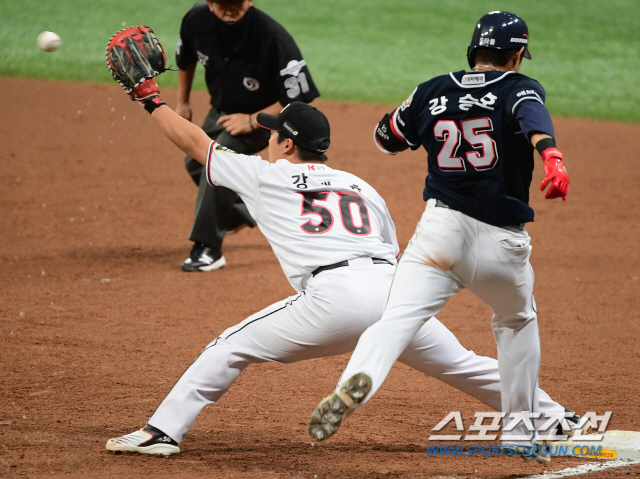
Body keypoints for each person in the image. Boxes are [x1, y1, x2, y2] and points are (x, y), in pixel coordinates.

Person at [103, 52, 578, 455]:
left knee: (230, 346)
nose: (268, 141)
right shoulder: (361, 186)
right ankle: (555, 417)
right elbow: (393, 249)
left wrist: (150, 99)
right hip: (395, 292)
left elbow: (194, 142)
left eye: (273, 135)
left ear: (288, 143)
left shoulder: (267, 176)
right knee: (463, 364)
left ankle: (160, 430)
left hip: (334, 298)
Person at [309, 11, 570, 463]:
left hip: (439, 233)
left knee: (395, 319)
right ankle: (521, 431)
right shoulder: (516, 87)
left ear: (474, 51)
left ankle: (357, 381)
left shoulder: (432, 90)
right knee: (516, 321)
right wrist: (551, 155)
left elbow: (387, 139)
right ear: (517, 54)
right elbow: (532, 114)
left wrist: (408, 118)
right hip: (501, 244)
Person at [176, 0, 320, 271]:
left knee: (216, 159)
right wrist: (182, 101)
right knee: (194, 161)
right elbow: (186, 58)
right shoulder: (196, 20)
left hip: (266, 119)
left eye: (237, 4)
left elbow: (300, 96)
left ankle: (208, 248)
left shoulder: (272, 36)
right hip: (222, 111)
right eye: (223, 4)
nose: (230, 11)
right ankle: (240, 212)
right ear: (209, 2)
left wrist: (253, 120)